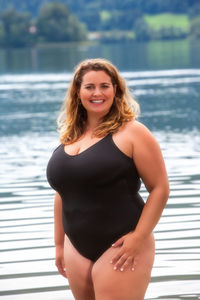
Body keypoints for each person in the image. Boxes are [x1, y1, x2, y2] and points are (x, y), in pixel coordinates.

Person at [46, 58, 169, 300]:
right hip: (75, 246)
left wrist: (138, 238)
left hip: (122, 244)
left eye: (105, 85)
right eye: (89, 87)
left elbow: (160, 188)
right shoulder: (70, 136)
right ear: (77, 92)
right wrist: (59, 244)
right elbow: (63, 192)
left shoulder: (133, 132)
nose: (97, 93)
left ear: (116, 89)